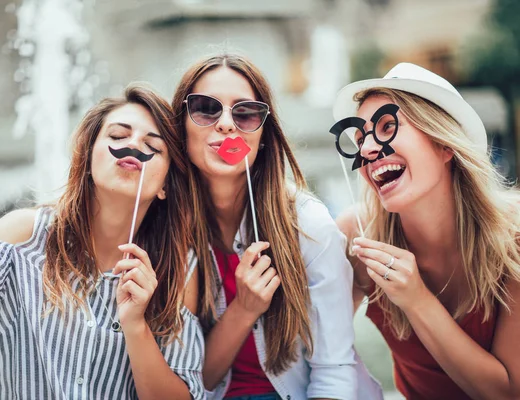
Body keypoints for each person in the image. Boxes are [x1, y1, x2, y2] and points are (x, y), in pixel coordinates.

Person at [0, 85, 204, 400]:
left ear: (165, 185)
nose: (134, 144)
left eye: (153, 144)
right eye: (117, 136)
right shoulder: (24, 236)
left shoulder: (178, 267)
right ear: (87, 155)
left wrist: (135, 326)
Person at [172, 54, 381, 400]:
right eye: (206, 108)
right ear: (180, 125)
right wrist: (244, 309)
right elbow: (193, 380)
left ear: (264, 135)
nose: (226, 124)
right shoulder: (169, 232)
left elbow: (333, 372)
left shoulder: (310, 226)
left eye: (245, 113)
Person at [334, 62, 520, 399]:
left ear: (444, 144)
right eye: (360, 139)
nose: (367, 150)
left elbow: (507, 393)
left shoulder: (515, 237)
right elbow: (312, 351)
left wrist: (416, 300)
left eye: (388, 127)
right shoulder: (357, 235)